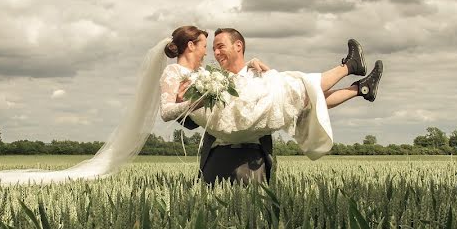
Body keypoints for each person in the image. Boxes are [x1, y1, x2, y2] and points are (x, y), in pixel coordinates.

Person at [159, 26, 384, 184]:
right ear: (191, 46)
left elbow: (232, 86)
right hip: (222, 146)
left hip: (252, 150)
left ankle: (359, 88)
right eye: (208, 47)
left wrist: (249, 65)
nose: (211, 53)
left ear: (238, 46)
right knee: (296, 90)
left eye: (218, 47)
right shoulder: (179, 73)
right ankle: (349, 67)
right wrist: (193, 101)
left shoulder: (212, 74)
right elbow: (172, 111)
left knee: (302, 98)